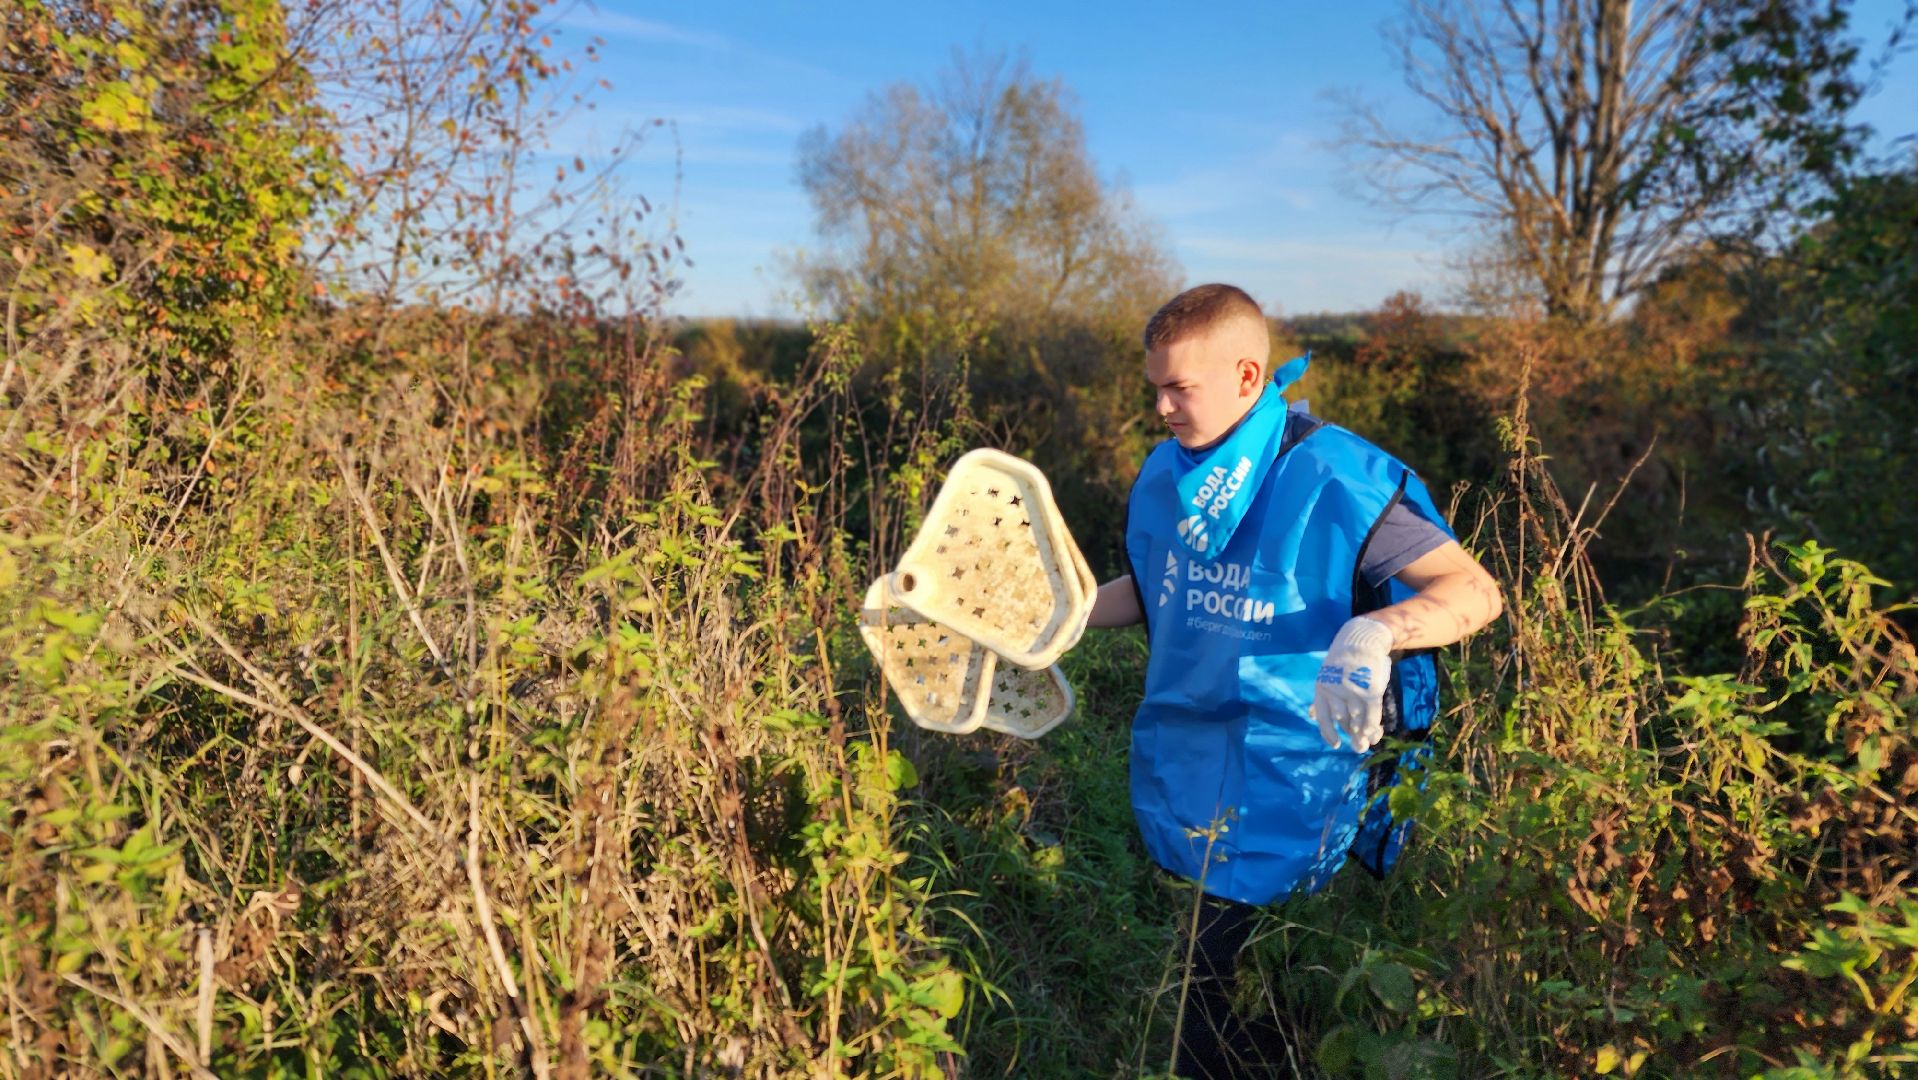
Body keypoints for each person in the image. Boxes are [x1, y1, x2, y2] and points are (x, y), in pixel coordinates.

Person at [1083, 284, 1502, 1079]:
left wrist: (1378, 629)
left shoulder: (1332, 474)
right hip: (1194, 750)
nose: (1163, 408)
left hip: (1306, 771)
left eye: (1181, 388)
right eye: (1157, 388)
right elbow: (1157, 582)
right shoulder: (1171, 473)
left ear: (1247, 376)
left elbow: (1475, 591)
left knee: (1254, 1006)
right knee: (1207, 985)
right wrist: (1062, 618)